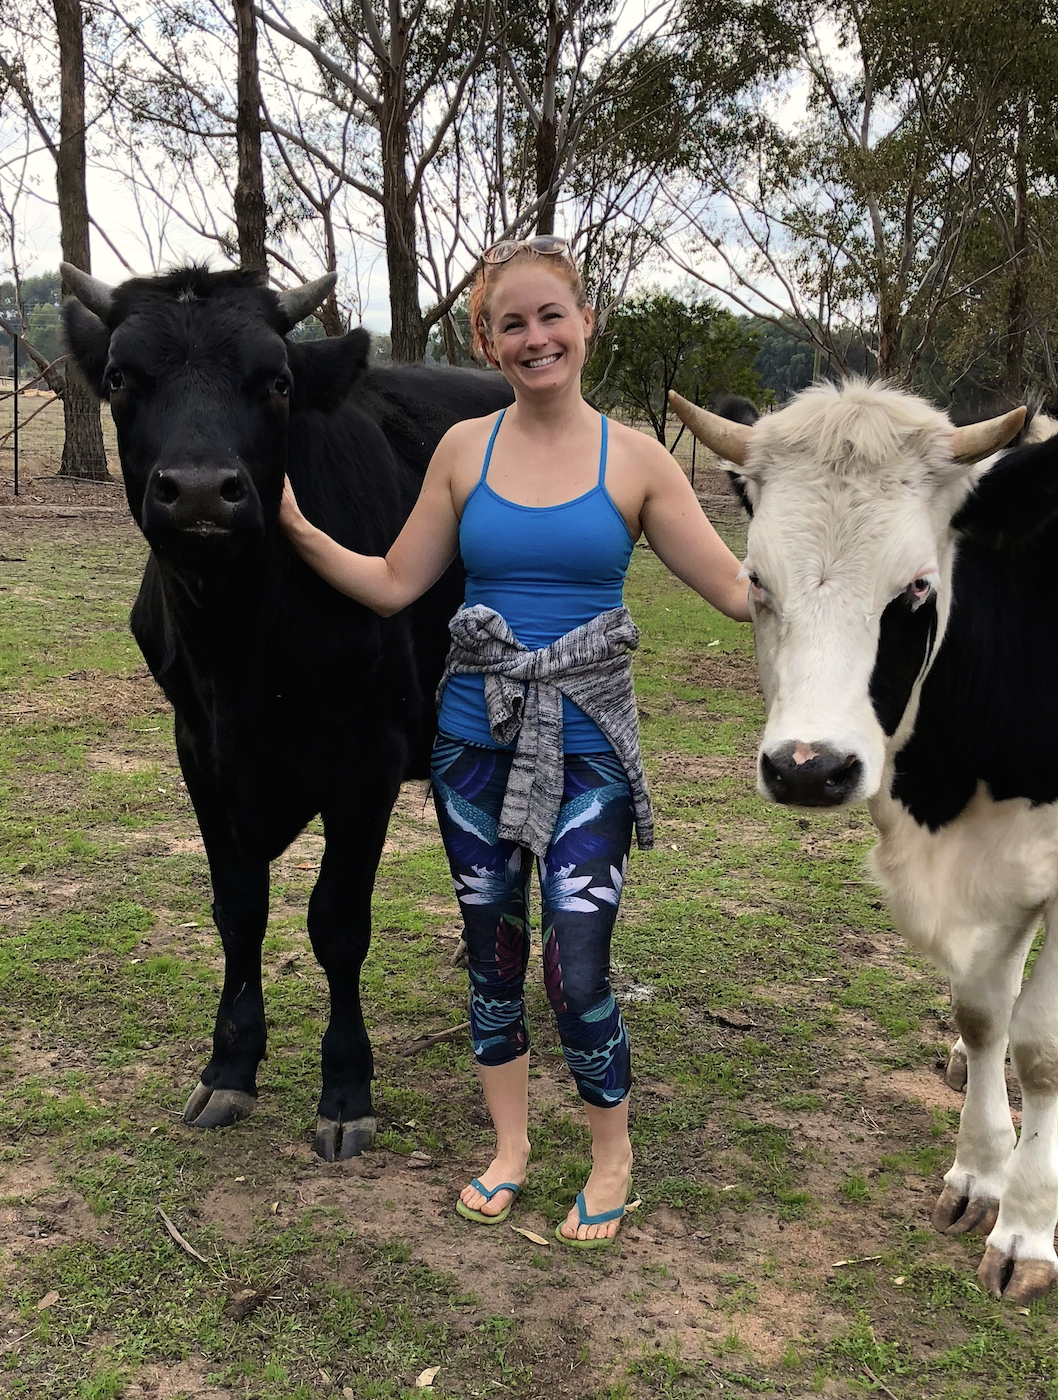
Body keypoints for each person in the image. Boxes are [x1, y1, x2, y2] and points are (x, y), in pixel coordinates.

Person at [278, 235, 751, 1246]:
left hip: (587, 751)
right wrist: (303, 530)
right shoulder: (463, 452)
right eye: (511, 324)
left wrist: (858, 563)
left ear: (586, 323)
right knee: (492, 954)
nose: (534, 337)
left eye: (550, 316)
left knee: (573, 967)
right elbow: (397, 582)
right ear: (485, 343)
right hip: (472, 744)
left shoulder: (636, 458)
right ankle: (510, 1148)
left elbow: (736, 591)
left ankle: (611, 1156)